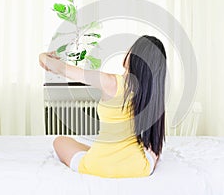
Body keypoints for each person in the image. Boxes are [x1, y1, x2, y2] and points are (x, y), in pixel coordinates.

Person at [39, 35, 167, 178]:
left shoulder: (111, 82)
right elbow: (155, 144)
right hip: (138, 168)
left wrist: (43, 57)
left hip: (97, 166)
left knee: (60, 141)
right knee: (153, 149)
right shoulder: (154, 96)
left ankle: (103, 151)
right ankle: (110, 152)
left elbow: (62, 69)